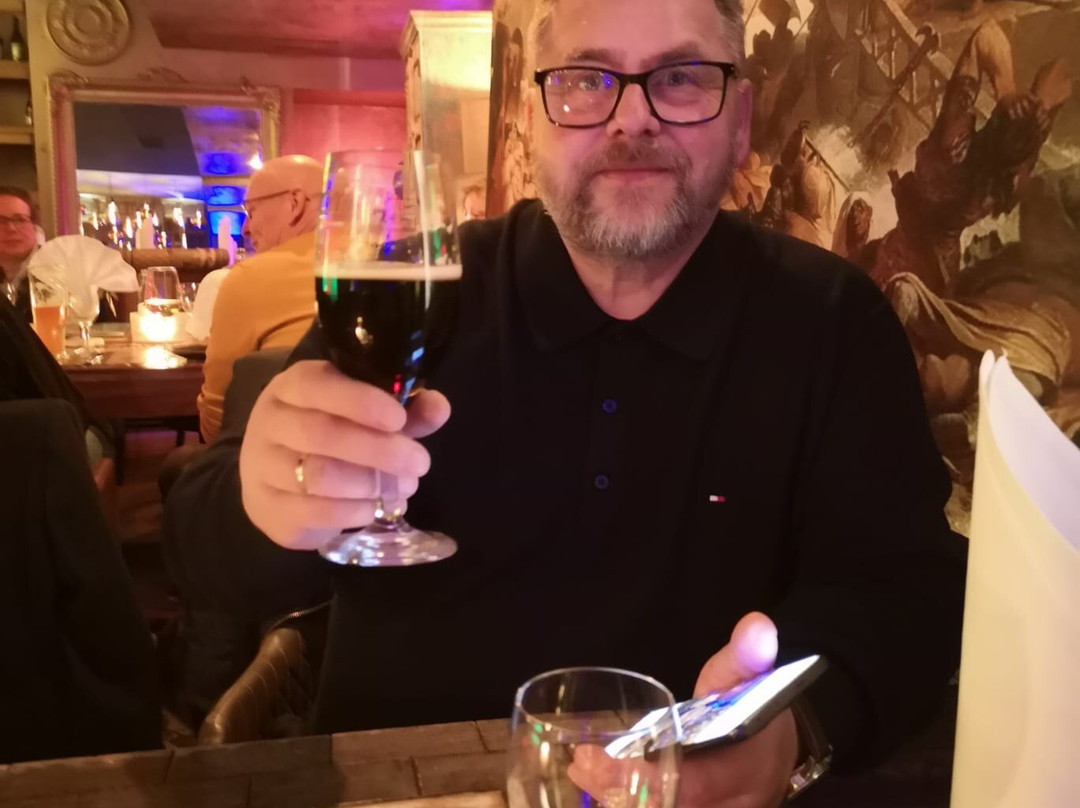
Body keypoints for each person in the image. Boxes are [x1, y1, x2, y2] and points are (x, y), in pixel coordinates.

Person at [168, 0, 966, 804]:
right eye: (587, 80)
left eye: (682, 77)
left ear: (740, 119)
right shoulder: (423, 285)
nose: (632, 118)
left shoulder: (833, 319)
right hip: (403, 787)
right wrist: (267, 499)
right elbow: (199, 543)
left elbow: (910, 601)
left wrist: (796, 732)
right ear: (531, 121)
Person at [196, 155, 323, 445]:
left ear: (295, 203)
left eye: (251, 211)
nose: (245, 228)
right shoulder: (381, 271)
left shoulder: (249, 277)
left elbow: (217, 423)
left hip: (274, 459)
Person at [0, 186, 41, 321]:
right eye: (1, 221)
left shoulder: (58, 271)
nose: (11, 228)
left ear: (34, 227)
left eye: (20, 219)